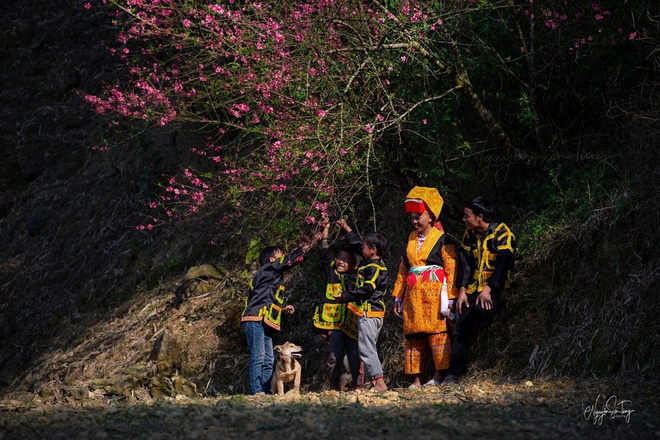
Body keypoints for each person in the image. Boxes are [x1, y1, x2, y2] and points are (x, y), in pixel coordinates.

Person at [391, 186, 459, 388]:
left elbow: (451, 268)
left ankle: (438, 376)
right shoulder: (409, 239)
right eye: (411, 217)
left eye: (418, 216)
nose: (414, 221)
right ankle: (417, 379)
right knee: (414, 336)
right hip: (413, 295)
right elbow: (404, 268)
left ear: (430, 216)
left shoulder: (443, 239)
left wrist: (453, 297)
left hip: (435, 294)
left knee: (437, 333)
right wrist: (397, 296)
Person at [444, 197, 516, 383]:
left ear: (480, 217)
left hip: (493, 288)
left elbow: (503, 263)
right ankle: (453, 373)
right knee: (461, 323)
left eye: (467, 216)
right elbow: (465, 264)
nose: (463, 219)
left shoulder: (502, 233)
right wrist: (461, 292)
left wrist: (489, 289)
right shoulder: (469, 235)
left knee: (483, 309)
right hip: (473, 288)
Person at [241, 238, 318, 394]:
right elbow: (290, 260)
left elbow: (264, 299)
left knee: (269, 360)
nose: (283, 258)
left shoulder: (269, 277)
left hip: (265, 320)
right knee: (258, 357)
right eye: (280, 256)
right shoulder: (268, 269)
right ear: (271, 260)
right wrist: (313, 241)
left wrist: (282, 310)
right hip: (254, 319)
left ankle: (267, 391)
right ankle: (257, 392)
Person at [335, 220, 389, 392]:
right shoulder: (373, 263)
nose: (362, 249)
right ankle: (374, 383)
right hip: (372, 313)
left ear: (373, 250)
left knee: (366, 349)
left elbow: (367, 290)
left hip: (370, 313)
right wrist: (347, 229)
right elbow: (357, 244)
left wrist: (344, 296)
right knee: (368, 347)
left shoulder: (374, 268)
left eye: (365, 246)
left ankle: (379, 383)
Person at [311, 221, 363, 390]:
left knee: (355, 357)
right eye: (339, 258)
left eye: (346, 260)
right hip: (333, 324)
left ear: (354, 265)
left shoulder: (356, 276)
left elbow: (361, 249)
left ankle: (358, 387)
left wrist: (347, 229)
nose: (341, 262)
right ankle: (333, 387)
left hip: (353, 324)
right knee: (335, 357)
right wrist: (325, 231)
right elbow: (324, 252)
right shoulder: (331, 273)